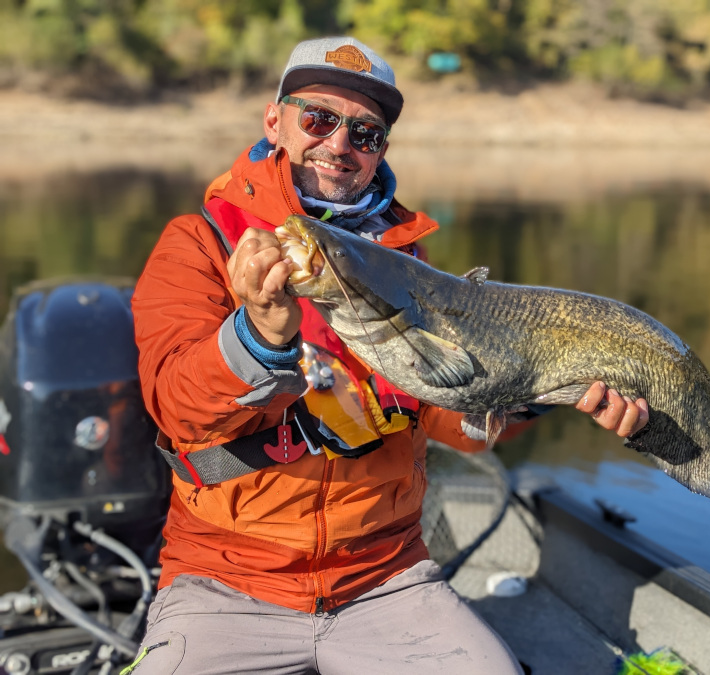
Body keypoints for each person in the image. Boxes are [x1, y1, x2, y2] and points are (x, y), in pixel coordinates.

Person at [127, 36, 649, 675]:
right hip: (225, 578)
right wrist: (259, 336)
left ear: (379, 153)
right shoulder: (197, 243)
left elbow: (454, 423)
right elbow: (178, 412)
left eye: (366, 134)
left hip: (386, 576)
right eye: (318, 119)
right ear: (275, 121)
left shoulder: (407, 264)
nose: (340, 144)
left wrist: (537, 392)